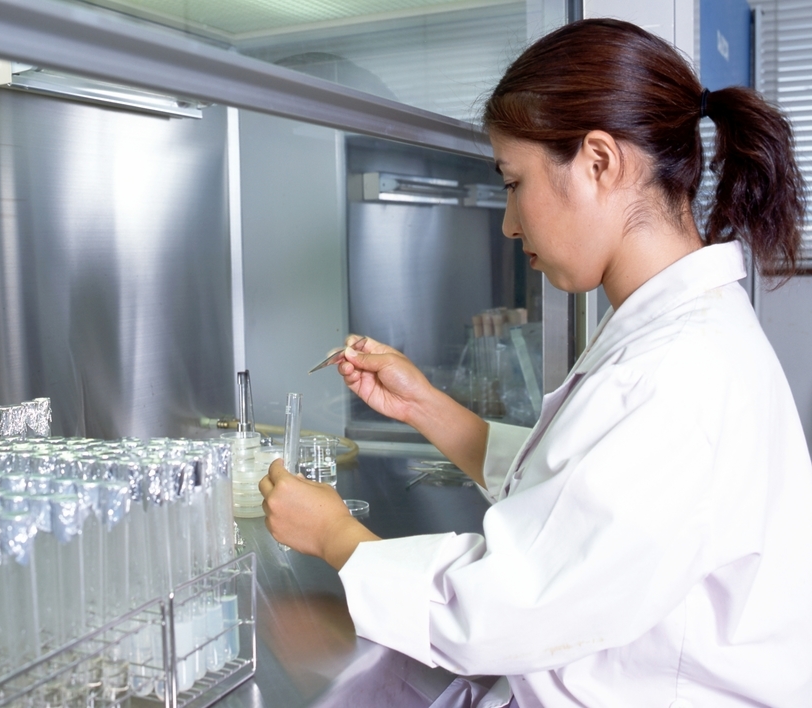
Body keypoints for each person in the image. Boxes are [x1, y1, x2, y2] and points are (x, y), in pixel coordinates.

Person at [259, 17, 812, 708]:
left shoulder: (677, 372)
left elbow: (501, 609)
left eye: (514, 182)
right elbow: (576, 494)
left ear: (599, 162)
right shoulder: (677, 332)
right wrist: (424, 405)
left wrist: (334, 534)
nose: (509, 223)